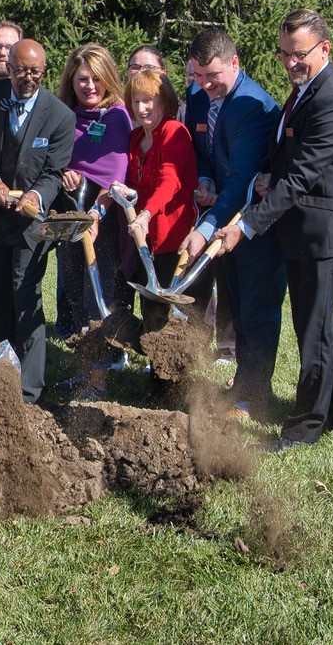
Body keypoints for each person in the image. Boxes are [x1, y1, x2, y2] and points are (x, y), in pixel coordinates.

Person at [214, 9, 333, 452]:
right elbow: (288, 159)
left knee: (315, 329)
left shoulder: (332, 99)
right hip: (303, 230)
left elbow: (301, 178)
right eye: (283, 53)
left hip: (325, 233)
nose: (289, 62)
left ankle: (305, 428)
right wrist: (266, 176)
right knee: (313, 327)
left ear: (325, 49)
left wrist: (247, 223)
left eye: (298, 54)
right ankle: (325, 410)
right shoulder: (307, 89)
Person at [181, 28, 286, 420]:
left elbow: (242, 180)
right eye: (198, 75)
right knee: (237, 309)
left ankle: (253, 397)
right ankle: (243, 385)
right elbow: (204, 147)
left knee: (257, 311)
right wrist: (205, 178)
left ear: (235, 63)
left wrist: (205, 229)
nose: (206, 85)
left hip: (256, 224)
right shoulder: (198, 94)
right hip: (224, 218)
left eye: (214, 76)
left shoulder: (251, 107)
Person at [0, 39, 74, 403]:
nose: (27, 78)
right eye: (20, 71)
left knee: (25, 294)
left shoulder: (60, 115)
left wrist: (35, 197)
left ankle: (30, 391)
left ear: (44, 71)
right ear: (9, 68)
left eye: (34, 72)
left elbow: (53, 171)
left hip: (31, 226)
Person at [53, 44, 133, 343]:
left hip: (103, 213)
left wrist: (96, 214)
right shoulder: (63, 115)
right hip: (69, 211)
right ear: (71, 81)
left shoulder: (116, 117)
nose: (90, 86)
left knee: (97, 290)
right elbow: (52, 157)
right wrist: (63, 171)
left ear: (108, 79)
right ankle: (83, 361)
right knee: (72, 286)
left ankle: (101, 365)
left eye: (96, 78)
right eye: (82, 79)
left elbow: (115, 175)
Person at [118, 65, 197, 326]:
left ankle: (167, 364)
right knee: (149, 303)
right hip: (144, 234)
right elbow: (135, 182)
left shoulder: (174, 132)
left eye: (148, 100)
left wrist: (146, 214)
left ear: (164, 100)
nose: (141, 108)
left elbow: (170, 181)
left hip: (170, 233)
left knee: (167, 307)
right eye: (136, 101)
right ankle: (153, 361)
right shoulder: (136, 136)